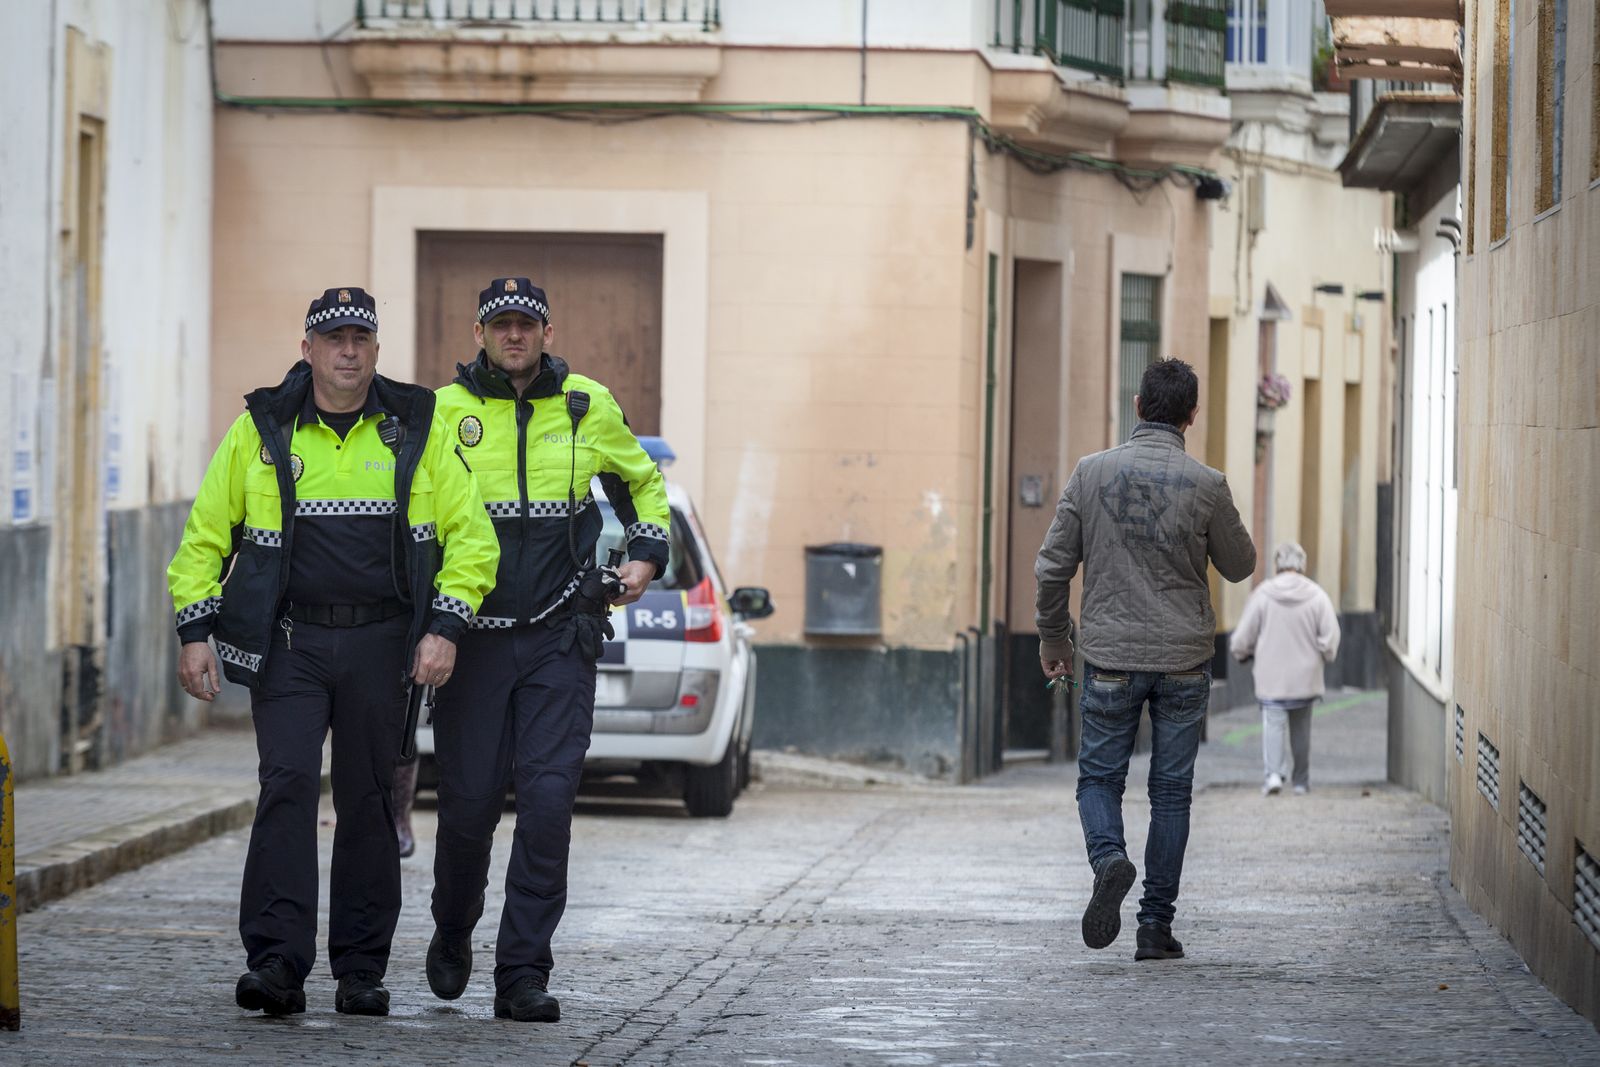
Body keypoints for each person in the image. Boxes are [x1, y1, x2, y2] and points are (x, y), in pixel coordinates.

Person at [167, 287, 498, 1017]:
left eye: (360, 339)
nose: (348, 350)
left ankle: (360, 969)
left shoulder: (416, 426)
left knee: (368, 795)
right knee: (285, 783)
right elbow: (203, 538)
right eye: (334, 338)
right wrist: (196, 631)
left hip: (384, 644)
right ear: (308, 349)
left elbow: (472, 536)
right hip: (291, 643)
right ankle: (277, 962)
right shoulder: (261, 431)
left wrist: (444, 626)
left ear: (376, 351)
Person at [426, 277, 670, 1023]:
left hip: (561, 640)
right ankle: (454, 922)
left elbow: (644, 489)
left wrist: (643, 557)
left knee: (547, 805)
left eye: (526, 324)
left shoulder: (587, 404)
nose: (514, 335)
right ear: (479, 332)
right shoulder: (445, 412)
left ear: (547, 331)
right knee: (467, 810)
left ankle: (523, 973)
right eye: (500, 324)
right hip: (474, 645)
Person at [1035, 358, 1255, 962]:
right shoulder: (1208, 485)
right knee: (1172, 793)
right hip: (1185, 660)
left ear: (1136, 406)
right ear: (1191, 415)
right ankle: (1155, 927)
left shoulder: (1089, 474)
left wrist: (1055, 640)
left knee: (1100, 779)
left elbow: (1053, 567)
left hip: (1108, 657)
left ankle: (1109, 859)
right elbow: (1241, 565)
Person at [1228, 541, 1341, 796]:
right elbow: (1331, 636)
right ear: (1302, 564)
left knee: (1274, 722)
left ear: (1278, 564)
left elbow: (1244, 635)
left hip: (1272, 675)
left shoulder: (1263, 594)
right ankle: (1300, 781)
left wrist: (1240, 651)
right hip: (1306, 675)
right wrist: (1326, 653)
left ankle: (1274, 775)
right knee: (1302, 728)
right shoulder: (1317, 595)